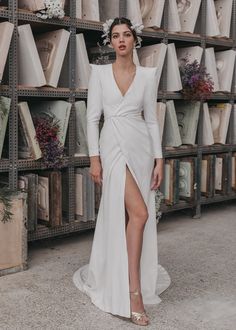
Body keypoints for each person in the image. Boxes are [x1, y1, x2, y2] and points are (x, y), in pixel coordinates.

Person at [73, 17, 171, 326]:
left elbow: (152, 120)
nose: (121, 40)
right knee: (140, 214)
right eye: (115, 36)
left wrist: (159, 159)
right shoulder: (100, 74)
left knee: (132, 219)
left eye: (126, 34)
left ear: (135, 40)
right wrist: (94, 158)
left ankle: (126, 279)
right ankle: (133, 294)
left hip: (140, 147)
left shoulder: (147, 75)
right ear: (110, 41)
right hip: (112, 146)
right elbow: (92, 118)